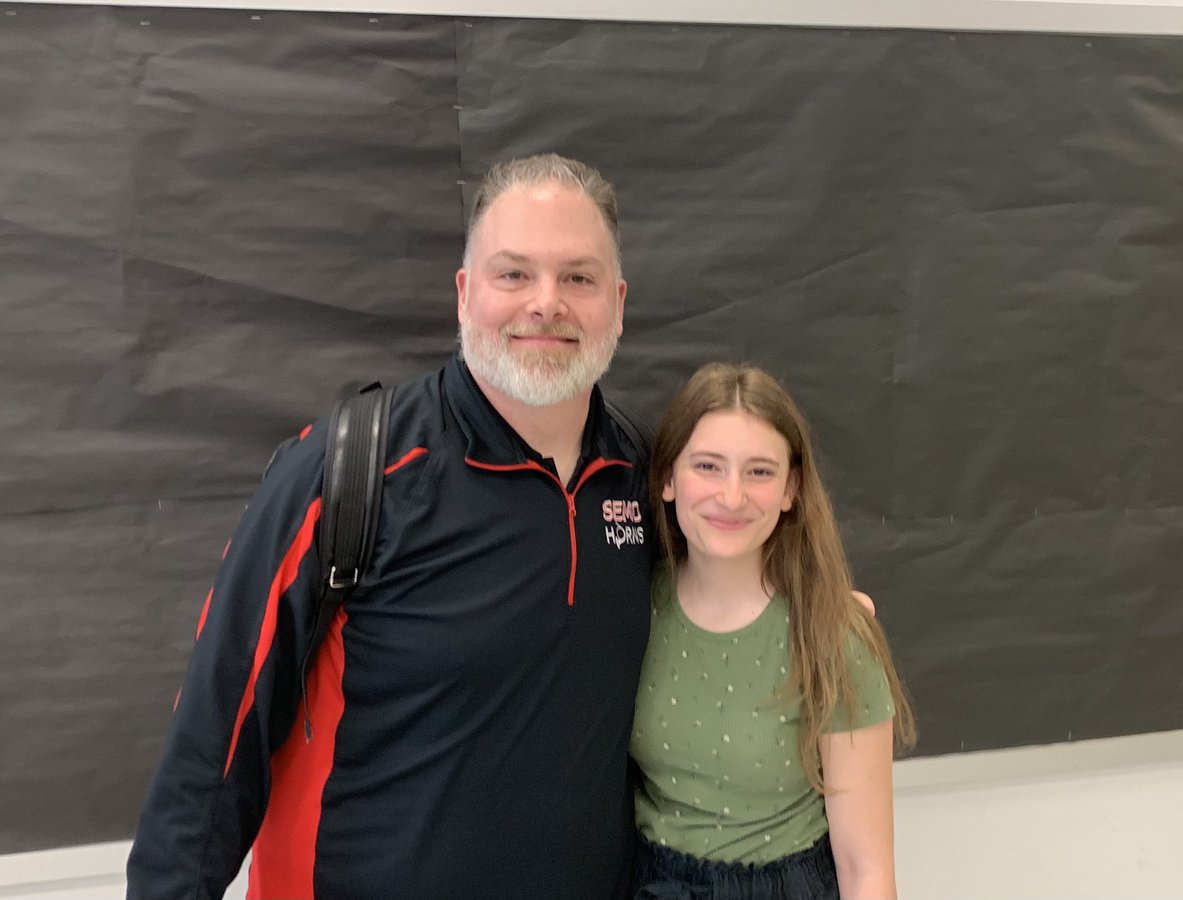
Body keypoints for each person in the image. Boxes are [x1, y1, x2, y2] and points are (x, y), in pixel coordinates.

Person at [126, 154, 653, 899]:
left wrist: (824, 616)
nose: (546, 303)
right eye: (513, 274)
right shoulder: (350, 471)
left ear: (618, 301)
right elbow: (213, 741)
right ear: (466, 294)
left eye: (578, 277)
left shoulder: (644, 477)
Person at [630, 363, 916, 900]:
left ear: (791, 490)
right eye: (708, 466)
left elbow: (867, 870)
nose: (731, 496)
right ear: (667, 478)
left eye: (759, 472)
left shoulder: (832, 637)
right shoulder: (630, 607)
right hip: (650, 882)